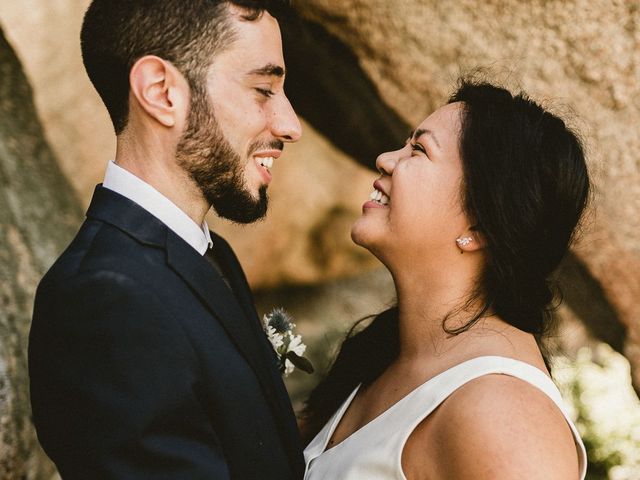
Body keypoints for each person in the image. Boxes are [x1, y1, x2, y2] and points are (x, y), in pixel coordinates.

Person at [28, 1, 304, 478]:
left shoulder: (211, 253)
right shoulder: (104, 300)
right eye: (264, 90)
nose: (290, 125)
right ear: (161, 92)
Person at [302, 79, 590, 480]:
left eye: (419, 149)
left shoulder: (503, 415)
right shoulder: (387, 354)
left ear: (480, 225)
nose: (386, 159)